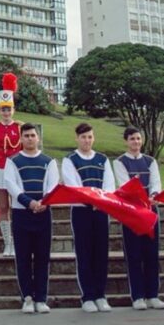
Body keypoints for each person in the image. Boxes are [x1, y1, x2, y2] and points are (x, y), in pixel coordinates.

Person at [61, 122, 116, 313]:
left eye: (90, 137)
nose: (87, 140)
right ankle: (88, 296)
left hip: (101, 210)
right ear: (77, 138)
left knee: (101, 253)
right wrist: (90, 200)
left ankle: (100, 295)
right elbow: (73, 186)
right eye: (83, 137)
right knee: (84, 253)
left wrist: (100, 200)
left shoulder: (102, 159)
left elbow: (109, 185)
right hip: (81, 211)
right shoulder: (70, 160)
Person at [5, 123, 59, 314]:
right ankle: (27, 297)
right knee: (23, 257)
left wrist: (44, 202)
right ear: (21, 139)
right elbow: (11, 185)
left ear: (38, 138)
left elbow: (52, 186)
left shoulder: (49, 161)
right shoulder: (13, 161)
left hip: (43, 214)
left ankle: (41, 298)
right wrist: (29, 203)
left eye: (32, 135)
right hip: (22, 214)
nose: (29, 138)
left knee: (43, 257)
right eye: (26, 135)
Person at [112, 127, 164, 311]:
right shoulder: (120, 162)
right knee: (134, 255)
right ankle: (137, 296)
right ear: (126, 141)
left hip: (150, 212)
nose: (136, 142)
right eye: (132, 139)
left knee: (151, 254)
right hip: (132, 213)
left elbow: (156, 182)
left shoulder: (150, 161)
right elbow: (124, 185)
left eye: (138, 139)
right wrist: (139, 200)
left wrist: (154, 195)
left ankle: (153, 295)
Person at [0, 75, 22, 257]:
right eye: (3, 109)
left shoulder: (20, 128)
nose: (6, 112)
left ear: (13, 109)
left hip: (16, 171)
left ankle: (16, 243)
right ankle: (7, 243)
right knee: (3, 207)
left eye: (8, 109)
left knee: (17, 207)